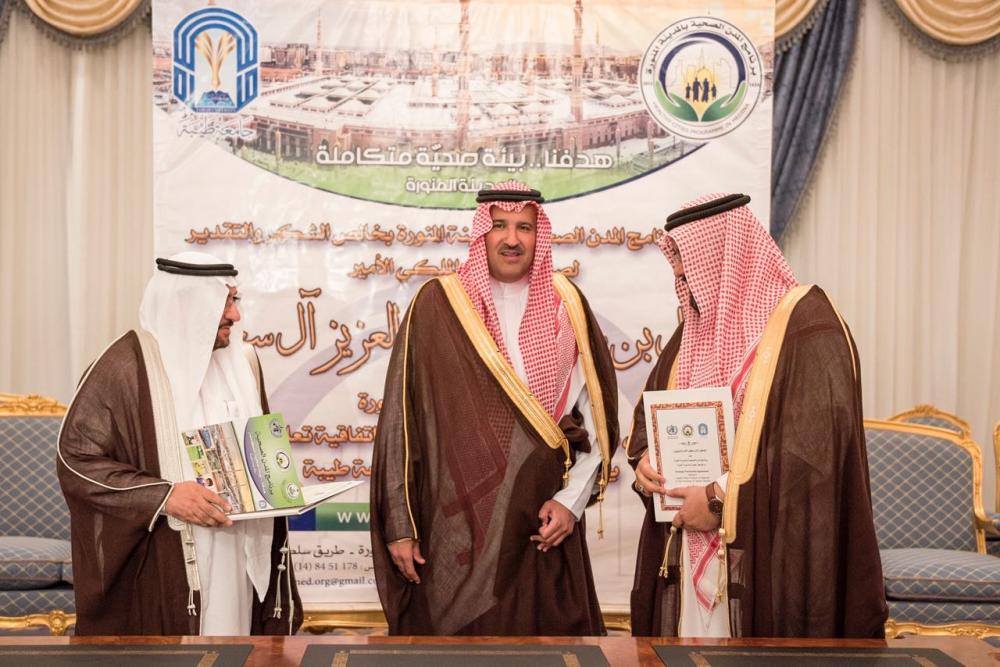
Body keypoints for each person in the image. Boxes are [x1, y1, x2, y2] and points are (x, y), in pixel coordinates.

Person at [627, 193, 887, 638]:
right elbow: (649, 418)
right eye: (677, 258)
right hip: (688, 549)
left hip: (769, 557)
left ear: (724, 252)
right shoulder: (693, 332)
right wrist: (647, 461)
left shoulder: (807, 325)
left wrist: (718, 500)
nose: (680, 272)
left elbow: (810, 457)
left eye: (686, 257)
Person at [370, 181, 618, 635]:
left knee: (547, 650)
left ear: (539, 235)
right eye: (499, 225)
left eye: (524, 227)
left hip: (543, 526)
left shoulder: (567, 305)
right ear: (481, 232)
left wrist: (570, 502)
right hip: (456, 529)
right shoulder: (437, 304)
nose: (511, 239)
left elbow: (596, 422)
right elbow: (400, 424)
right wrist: (400, 525)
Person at [57, 252, 302, 636]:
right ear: (189, 304)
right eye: (225, 302)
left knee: (235, 648)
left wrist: (280, 487)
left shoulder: (245, 363)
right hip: (169, 558)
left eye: (235, 300)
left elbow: (262, 459)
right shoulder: (124, 366)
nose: (235, 315)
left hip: (239, 554)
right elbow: (77, 460)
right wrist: (164, 496)